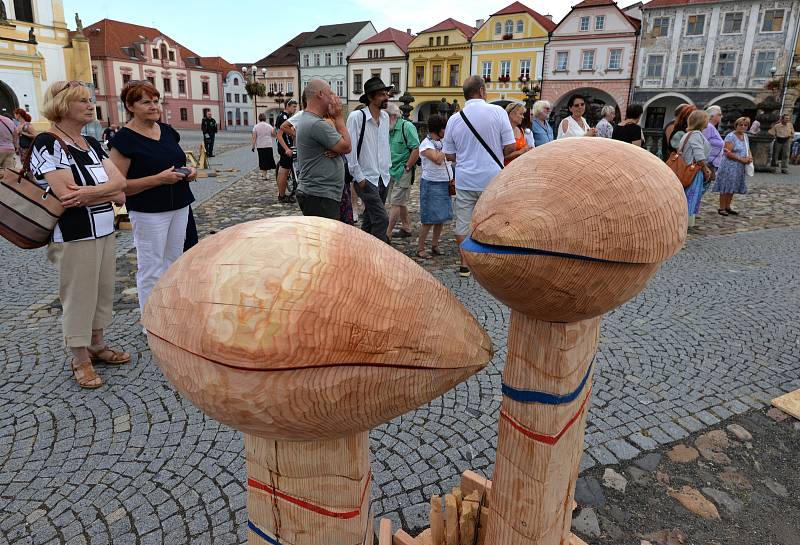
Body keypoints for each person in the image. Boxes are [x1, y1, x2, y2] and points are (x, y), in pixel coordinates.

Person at [29, 81, 129, 388]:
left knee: (101, 291)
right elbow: (66, 194)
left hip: (102, 228)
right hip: (73, 233)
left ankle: (97, 345)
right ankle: (80, 358)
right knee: (78, 296)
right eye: (82, 101)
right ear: (63, 106)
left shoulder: (91, 143)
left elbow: (121, 188)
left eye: (90, 100)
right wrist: (104, 191)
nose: (90, 105)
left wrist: (93, 192)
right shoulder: (49, 142)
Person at [108, 80, 197, 323]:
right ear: (130, 106)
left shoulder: (167, 131)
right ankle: (152, 321)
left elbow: (175, 158)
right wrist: (158, 180)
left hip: (180, 205)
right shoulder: (124, 140)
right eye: (146, 102)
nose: (153, 106)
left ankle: (172, 312)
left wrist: (188, 170)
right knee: (151, 266)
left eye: (155, 101)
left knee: (175, 261)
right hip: (149, 211)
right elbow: (118, 185)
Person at [443, 75, 516, 277]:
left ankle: (465, 264)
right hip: (492, 179)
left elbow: (449, 155)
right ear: (482, 91)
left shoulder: (454, 119)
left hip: (465, 179)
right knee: (492, 220)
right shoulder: (498, 112)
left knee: (464, 222)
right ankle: (490, 262)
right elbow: (509, 146)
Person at [294, 79, 352, 218]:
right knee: (325, 239)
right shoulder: (316, 124)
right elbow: (347, 146)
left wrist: (337, 149)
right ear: (320, 94)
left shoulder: (309, 119)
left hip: (319, 194)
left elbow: (339, 145)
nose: (334, 97)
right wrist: (338, 117)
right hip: (320, 195)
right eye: (330, 93)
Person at [346, 76, 392, 243]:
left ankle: (361, 250)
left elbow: (384, 145)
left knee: (370, 218)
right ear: (371, 97)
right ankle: (380, 256)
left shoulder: (385, 117)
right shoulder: (357, 117)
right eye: (381, 94)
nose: (386, 97)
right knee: (381, 219)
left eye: (386, 93)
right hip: (366, 177)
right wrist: (359, 177)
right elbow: (350, 149)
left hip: (383, 176)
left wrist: (388, 168)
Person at [417, 114, 453, 259]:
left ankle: (435, 245)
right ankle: (420, 248)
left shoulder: (442, 142)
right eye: (444, 129)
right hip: (431, 185)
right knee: (429, 219)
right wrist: (448, 146)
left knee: (441, 218)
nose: (446, 132)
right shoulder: (426, 144)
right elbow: (438, 159)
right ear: (437, 129)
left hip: (444, 183)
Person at [386, 102, 420, 240]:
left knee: (395, 203)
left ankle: (386, 233)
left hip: (403, 170)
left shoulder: (407, 127)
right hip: (390, 170)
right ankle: (407, 228)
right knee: (400, 202)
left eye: (385, 117)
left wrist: (407, 167)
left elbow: (416, 149)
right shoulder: (388, 128)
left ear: (393, 116)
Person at [713, 117, 752, 216]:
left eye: (745, 125)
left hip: (739, 167)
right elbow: (727, 153)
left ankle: (728, 206)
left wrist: (750, 158)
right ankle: (722, 207)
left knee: (733, 186)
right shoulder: (730, 136)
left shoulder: (745, 136)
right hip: (729, 165)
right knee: (725, 186)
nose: (743, 126)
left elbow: (748, 149)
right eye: (741, 124)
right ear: (736, 125)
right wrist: (741, 159)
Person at [678, 110, 711, 228]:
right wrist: (706, 168)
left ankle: (683, 219)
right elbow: (699, 154)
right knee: (691, 195)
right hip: (693, 170)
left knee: (687, 194)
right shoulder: (696, 134)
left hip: (686, 168)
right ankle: (686, 221)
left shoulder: (688, 134)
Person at [274, 99, 299, 203]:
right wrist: (286, 149)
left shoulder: (287, 117)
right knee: (283, 172)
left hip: (288, 147)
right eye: (293, 107)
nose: (295, 109)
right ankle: (282, 195)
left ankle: (283, 194)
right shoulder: (283, 117)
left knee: (285, 171)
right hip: (285, 148)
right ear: (287, 106)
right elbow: (279, 135)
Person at [702, 106, 724, 180]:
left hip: (712, 162)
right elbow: (703, 143)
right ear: (711, 116)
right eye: (719, 114)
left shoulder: (712, 127)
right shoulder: (708, 127)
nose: (721, 116)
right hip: (708, 162)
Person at [251, 113, 276, 180]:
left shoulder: (256, 127)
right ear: (265, 118)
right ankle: (264, 174)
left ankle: (264, 174)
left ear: (259, 118)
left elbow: (254, 137)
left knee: (262, 160)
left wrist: (253, 146)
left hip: (260, 145)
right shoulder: (269, 126)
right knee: (267, 160)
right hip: (268, 145)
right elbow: (274, 134)